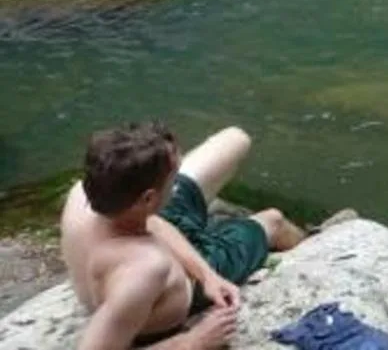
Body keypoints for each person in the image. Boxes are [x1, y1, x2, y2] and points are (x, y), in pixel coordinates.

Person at [60, 122, 306, 350]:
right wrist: (192, 342)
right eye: (172, 180)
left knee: (235, 139)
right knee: (273, 220)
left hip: (159, 229)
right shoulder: (143, 271)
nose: (175, 185)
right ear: (148, 198)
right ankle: (312, 240)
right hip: (185, 284)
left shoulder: (88, 195)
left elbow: (151, 223)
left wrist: (207, 276)